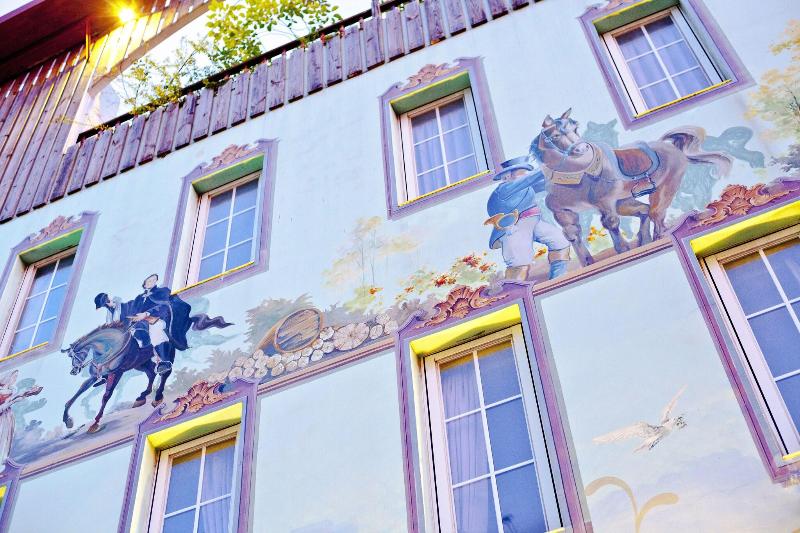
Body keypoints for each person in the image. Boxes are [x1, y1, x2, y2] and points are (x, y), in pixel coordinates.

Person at [485, 156, 571, 280]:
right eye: (521, 173)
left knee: (560, 241)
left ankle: (558, 277)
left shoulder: (525, 187)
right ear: (507, 176)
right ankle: (516, 290)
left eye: (525, 172)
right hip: (515, 227)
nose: (525, 175)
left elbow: (547, 184)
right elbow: (531, 178)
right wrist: (555, 163)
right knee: (519, 262)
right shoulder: (505, 188)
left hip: (534, 222)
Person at [0, 370, 42, 472]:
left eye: (16, 377)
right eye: (14, 376)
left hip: (7, 418)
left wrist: (28, 392)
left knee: (5, 440)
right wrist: (12, 401)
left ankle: (1, 463)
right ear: (7, 377)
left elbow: (14, 399)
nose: (15, 379)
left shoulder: (12, 390)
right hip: (1, 417)